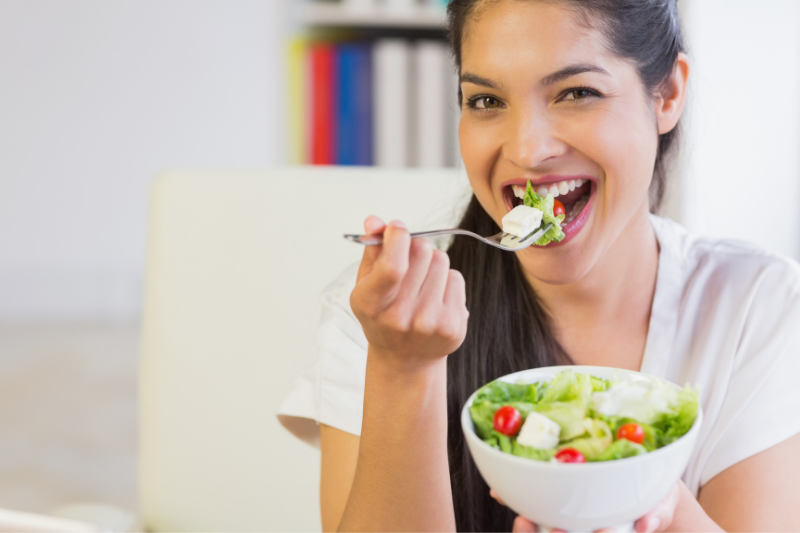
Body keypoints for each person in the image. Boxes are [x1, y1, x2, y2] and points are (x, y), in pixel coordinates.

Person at [278, 0, 800, 531]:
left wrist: (658, 504)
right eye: (485, 100)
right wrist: (403, 368)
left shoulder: (757, 305)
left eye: (576, 93)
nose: (528, 149)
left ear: (666, 93)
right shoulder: (382, 320)